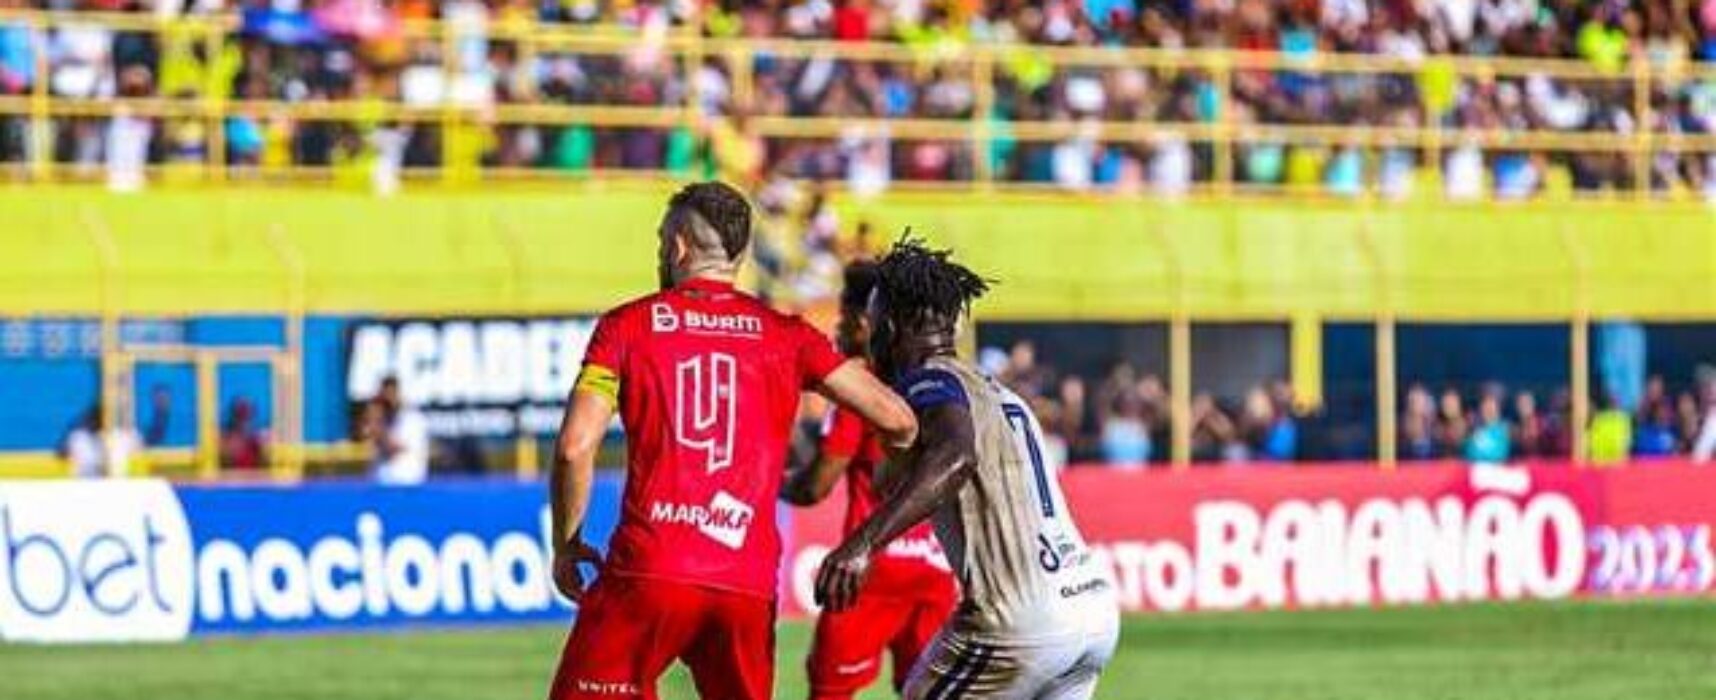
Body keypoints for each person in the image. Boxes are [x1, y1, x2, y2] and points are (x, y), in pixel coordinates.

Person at [546, 182, 918, 700]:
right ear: (740, 257)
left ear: (677, 247)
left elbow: (574, 446)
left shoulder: (626, 326)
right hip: (745, 581)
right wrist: (891, 483)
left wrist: (566, 544)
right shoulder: (788, 336)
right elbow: (899, 420)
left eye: (661, 240)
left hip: (650, 569)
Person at [816, 238, 1120, 700]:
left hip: (1020, 620)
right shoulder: (1000, 391)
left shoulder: (929, 381)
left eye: (874, 321)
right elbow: (908, 473)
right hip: (1091, 610)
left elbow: (955, 455)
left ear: (892, 327)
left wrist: (861, 544)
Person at [782, 260, 958, 700]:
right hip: (936, 569)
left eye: (843, 318)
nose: (837, 329)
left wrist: (771, 482)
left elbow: (815, 486)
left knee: (830, 690)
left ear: (866, 323)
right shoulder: (941, 387)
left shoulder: (859, 391)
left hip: (869, 573)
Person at [361, 376, 429, 485]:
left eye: (390, 395)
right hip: (382, 480)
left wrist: (376, 427)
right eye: (384, 396)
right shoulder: (384, 418)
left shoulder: (412, 418)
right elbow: (367, 439)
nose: (388, 400)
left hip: (406, 483)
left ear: (398, 394)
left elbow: (394, 447)